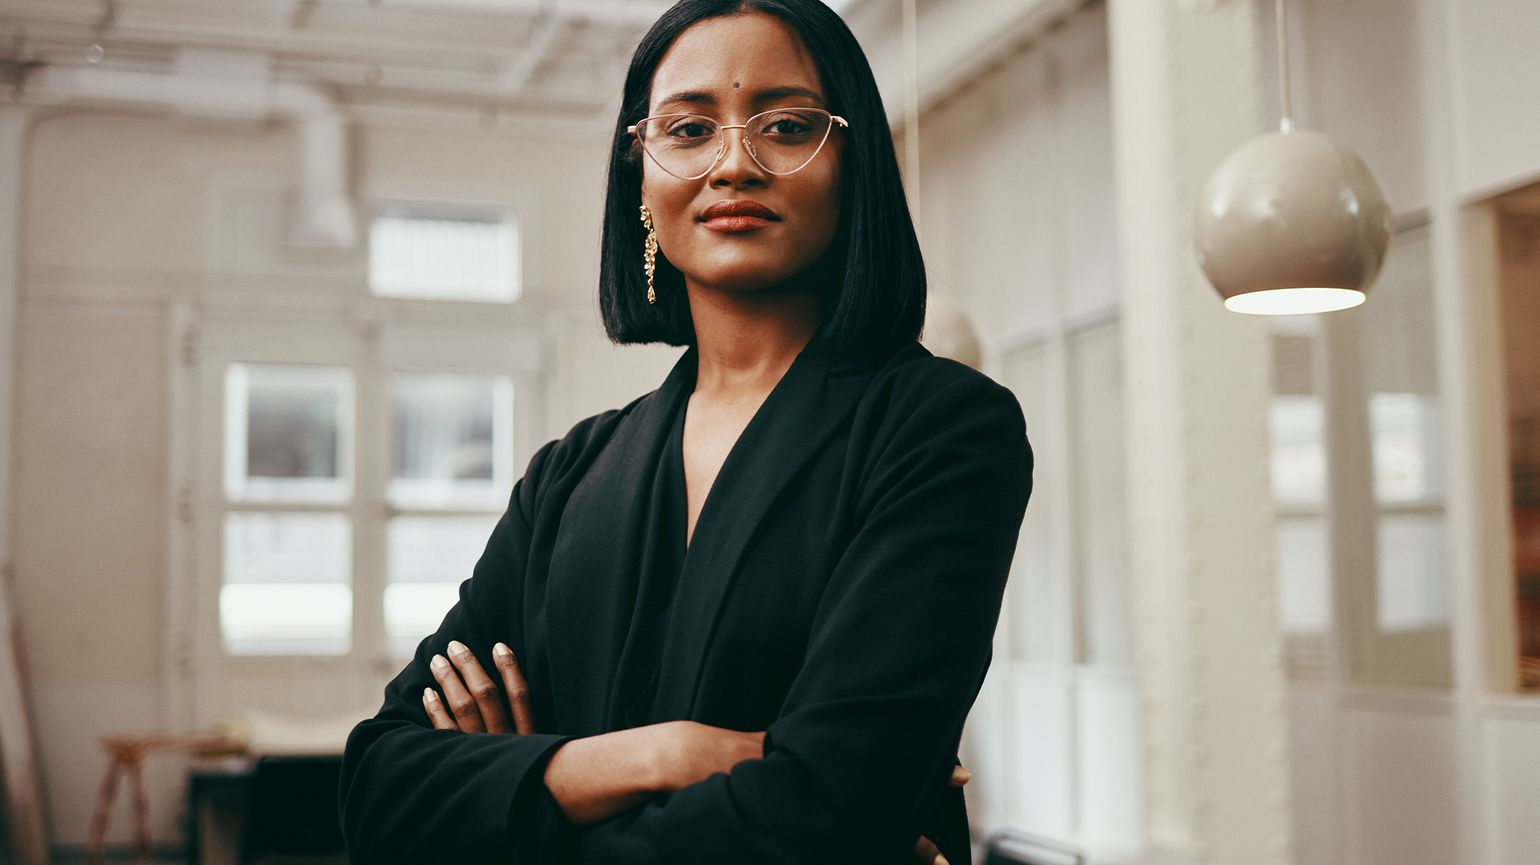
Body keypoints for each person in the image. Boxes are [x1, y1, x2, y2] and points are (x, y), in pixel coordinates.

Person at [337, 1, 1033, 863]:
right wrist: (664, 754)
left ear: (853, 165)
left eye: (785, 126)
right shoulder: (570, 472)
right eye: (689, 128)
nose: (733, 163)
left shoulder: (941, 430)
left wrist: (517, 797)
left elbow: (827, 807)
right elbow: (379, 787)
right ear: (640, 174)